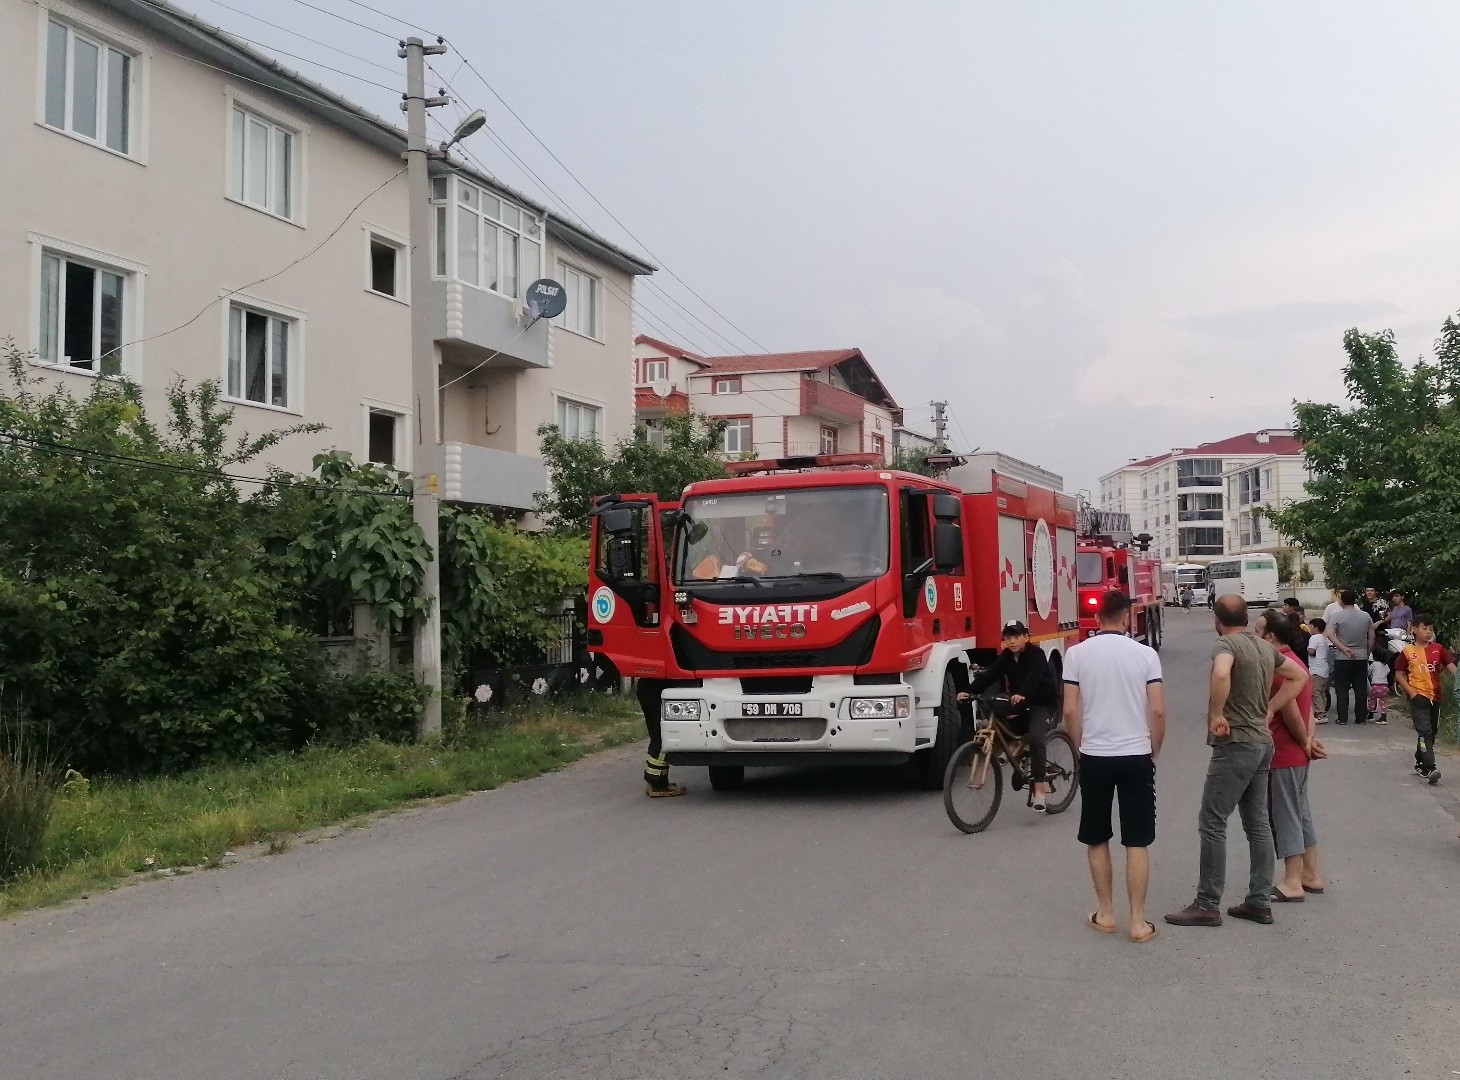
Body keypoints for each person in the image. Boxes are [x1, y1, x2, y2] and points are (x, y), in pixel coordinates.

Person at [1166, 595, 1308, 928]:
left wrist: (1217, 713)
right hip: (1262, 743)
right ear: (1246, 617)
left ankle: (1207, 903)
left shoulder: (1225, 645)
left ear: (1217, 619)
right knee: (1257, 822)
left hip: (1236, 744)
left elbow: (1220, 673)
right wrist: (1270, 708)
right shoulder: (1262, 647)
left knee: (1213, 820)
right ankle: (1258, 901)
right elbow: (1298, 676)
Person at [1062, 591, 1166, 944]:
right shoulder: (1146, 655)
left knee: (1096, 835)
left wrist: (1080, 746)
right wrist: (1154, 748)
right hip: (1136, 754)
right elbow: (1157, 710)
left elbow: (1071, 711)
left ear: (1096, 619)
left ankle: (1105, 913)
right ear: (1127, 618)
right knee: (1137, 839)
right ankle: (1138, 921)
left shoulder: (1075, 655)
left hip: (1095, 755)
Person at [1256, 610, 1327, 903]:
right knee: (1300, 814)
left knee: (1284, 816)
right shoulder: (1297, 663)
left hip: (1284, 752)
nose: (1254, 637)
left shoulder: (1279, 670)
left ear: (1271, 637)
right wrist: (1309, 742)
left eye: (1258, 632)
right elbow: (1310, 714)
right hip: (1298, 752)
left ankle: (1292, 881)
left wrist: (1303, 743)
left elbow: (1292, 714)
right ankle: (1311, 874)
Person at [959, 620, 1059, 811]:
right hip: (1019, 700)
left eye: (1016, 636)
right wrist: (969, 692)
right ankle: (1014, 748)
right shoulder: (1006, 656)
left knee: (1037, 738)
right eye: (1008, 637)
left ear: (1026, 637)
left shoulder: (1036, 654)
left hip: (1041, 702)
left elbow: (1035, 677)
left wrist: (1023, 693)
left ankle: (1039, 790)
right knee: (997, 713)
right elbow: (989, 676)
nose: (1012, 641)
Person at [1395, 613, 1457, 785]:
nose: (1428, 632)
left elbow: (1452, 668)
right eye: (1424, 628)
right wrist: (1412, 693)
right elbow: (1399, 674)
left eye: (1431, 629)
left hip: (1435, 696)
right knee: (1424, 732)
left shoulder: (1438, 649)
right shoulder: (1407, 651)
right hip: (1418, 697)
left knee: (1432, 732)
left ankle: (1420, 761)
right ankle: (1431, 767)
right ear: (1414, 629)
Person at [1325, 589, 1374, 725]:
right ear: (1355, 600)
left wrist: (1343, 648)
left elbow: (1330, 634)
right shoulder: (1365, 616)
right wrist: (1367, 651)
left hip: (1342, 657)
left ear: (1341, 601)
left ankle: (1342, 718)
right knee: (1360, 688)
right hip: (1361, 656)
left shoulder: (1337, 616)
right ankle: (1361, 718)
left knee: (1341, 688)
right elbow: (1371, 636)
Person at [636, 679, 687, 797]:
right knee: (663, 737)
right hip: (656, 692)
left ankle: (655, 781)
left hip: (647, 689)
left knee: (656, 735)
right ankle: (657, 783)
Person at [1307, 617, 1331, 725]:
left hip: (1316, 669)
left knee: (1315, 692)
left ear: (1316, 627)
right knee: (1321, 692)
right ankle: (1323, 712)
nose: (1309, 628)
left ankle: (1320, 714)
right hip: (1324, 669)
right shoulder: (1323, 638)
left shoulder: (1314, 638)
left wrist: (1307, 649)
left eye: (1310, 626)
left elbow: (1311, 651)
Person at [1367, 656, 1391, 725]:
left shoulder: (1374, 664)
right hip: (1384, 685)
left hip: (1375, 685)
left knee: (1372, 700)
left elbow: (1368, 671)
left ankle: (1370, 716)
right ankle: (1383, 718)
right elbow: (1388, 671)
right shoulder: (1385, 665)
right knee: (1383, 701)